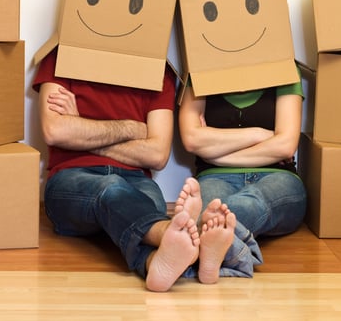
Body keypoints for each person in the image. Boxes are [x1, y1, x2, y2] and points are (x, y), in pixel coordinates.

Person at [33, 47, 237, 291]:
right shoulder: (61, 56)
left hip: (136, 181)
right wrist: (132, 128)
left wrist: (81, 129)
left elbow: (157, 154)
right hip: (71, 179)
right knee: (112, 189)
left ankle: (159, 263)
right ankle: (171, 233)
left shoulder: (158, 69)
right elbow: (55, 132)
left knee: (148, 202)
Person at [178, 70, 307, 245]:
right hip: (215, 177)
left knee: (244, 206)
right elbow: (192, 140)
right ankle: (215, 249)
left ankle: (197, 242)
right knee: (214, 212)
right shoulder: (200, 68)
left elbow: (285, 146)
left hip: (277, 176)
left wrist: (215, 156)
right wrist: (259, 134)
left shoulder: (285, 68)